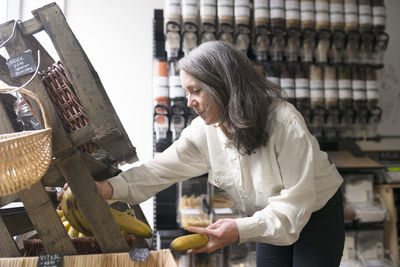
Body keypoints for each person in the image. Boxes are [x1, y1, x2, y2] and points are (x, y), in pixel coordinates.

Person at [93, 41, 344, 266]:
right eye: (187, 92)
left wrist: (238, 229)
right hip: (269, 215)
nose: (190, 102)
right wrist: (108, 188)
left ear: (224, 85)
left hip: (316, 213)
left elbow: (295, 205)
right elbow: (159, 171)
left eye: (196, 90)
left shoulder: (283, 122)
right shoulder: (204, 131)